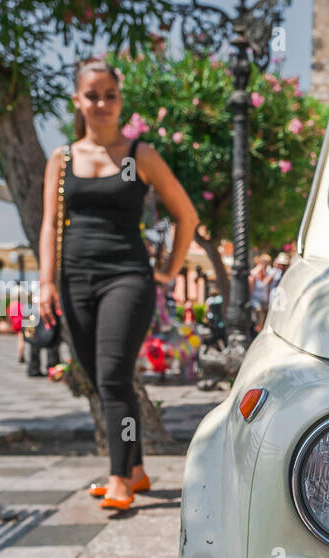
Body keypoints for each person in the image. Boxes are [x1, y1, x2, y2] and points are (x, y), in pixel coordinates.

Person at [37, 56, 198, 510]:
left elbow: (186, 215)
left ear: (120, 100)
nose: (102, 103)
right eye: (93, 95)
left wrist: (168, 271)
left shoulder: (137, 156)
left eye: (110, 95)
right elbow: (50, 223)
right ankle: (138, 470)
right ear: (77, 100)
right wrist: (45, 282)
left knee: (111, 376)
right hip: (74, 281)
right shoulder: (62, 159)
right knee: (101, 378)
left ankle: (119, 480)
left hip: (127, 277)